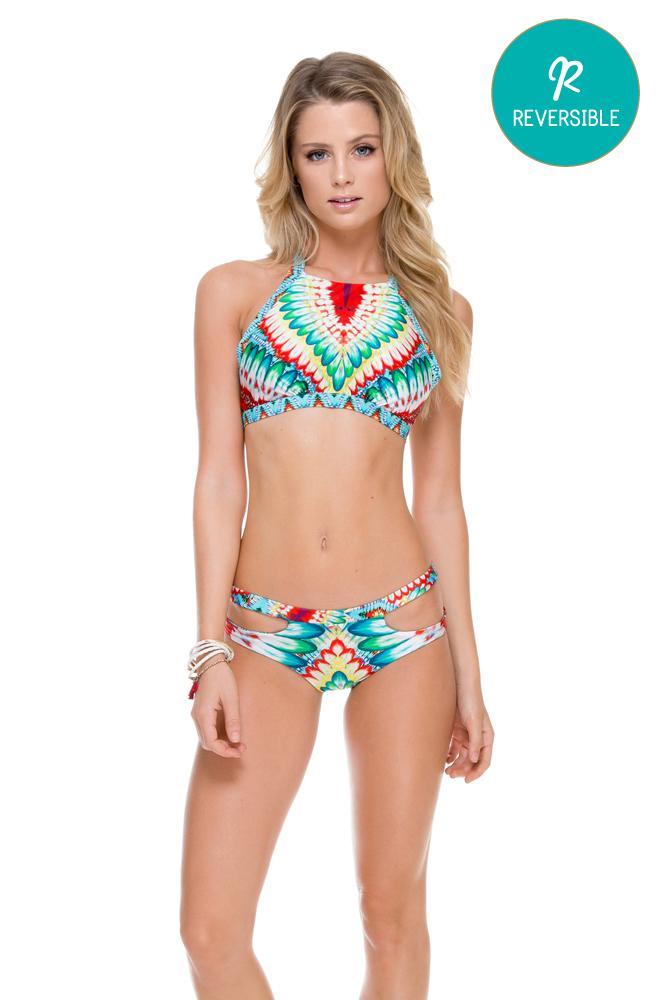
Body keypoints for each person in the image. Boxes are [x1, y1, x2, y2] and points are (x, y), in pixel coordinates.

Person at [180, 51, 495, 1000]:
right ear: (292, 165)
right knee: (209, 930)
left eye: (363, 147)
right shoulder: (234, 293)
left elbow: (441, 500)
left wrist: (471, 679)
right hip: (263, 633)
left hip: (404, 629)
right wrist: (209, 650)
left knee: (390, 917)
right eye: (318, 154)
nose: (343, 174)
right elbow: (216, 477)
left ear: (395, 154)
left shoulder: (441, 313)